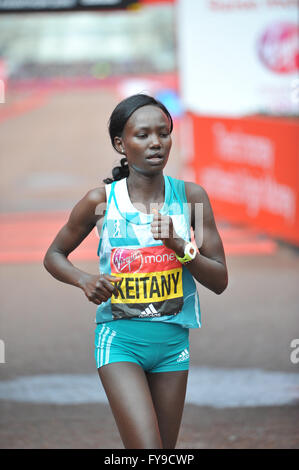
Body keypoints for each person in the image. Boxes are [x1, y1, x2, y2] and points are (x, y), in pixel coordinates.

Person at [43, 93, 228, 449]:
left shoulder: (192, 198)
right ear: (120, 143)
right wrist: (85, 280)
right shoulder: (101, 202)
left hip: (174, 346)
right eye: (142, 135)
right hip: (120, 343)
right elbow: (54, 255)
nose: (156, 142)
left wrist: (182, 247)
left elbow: (219, 280)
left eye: (164, 132)